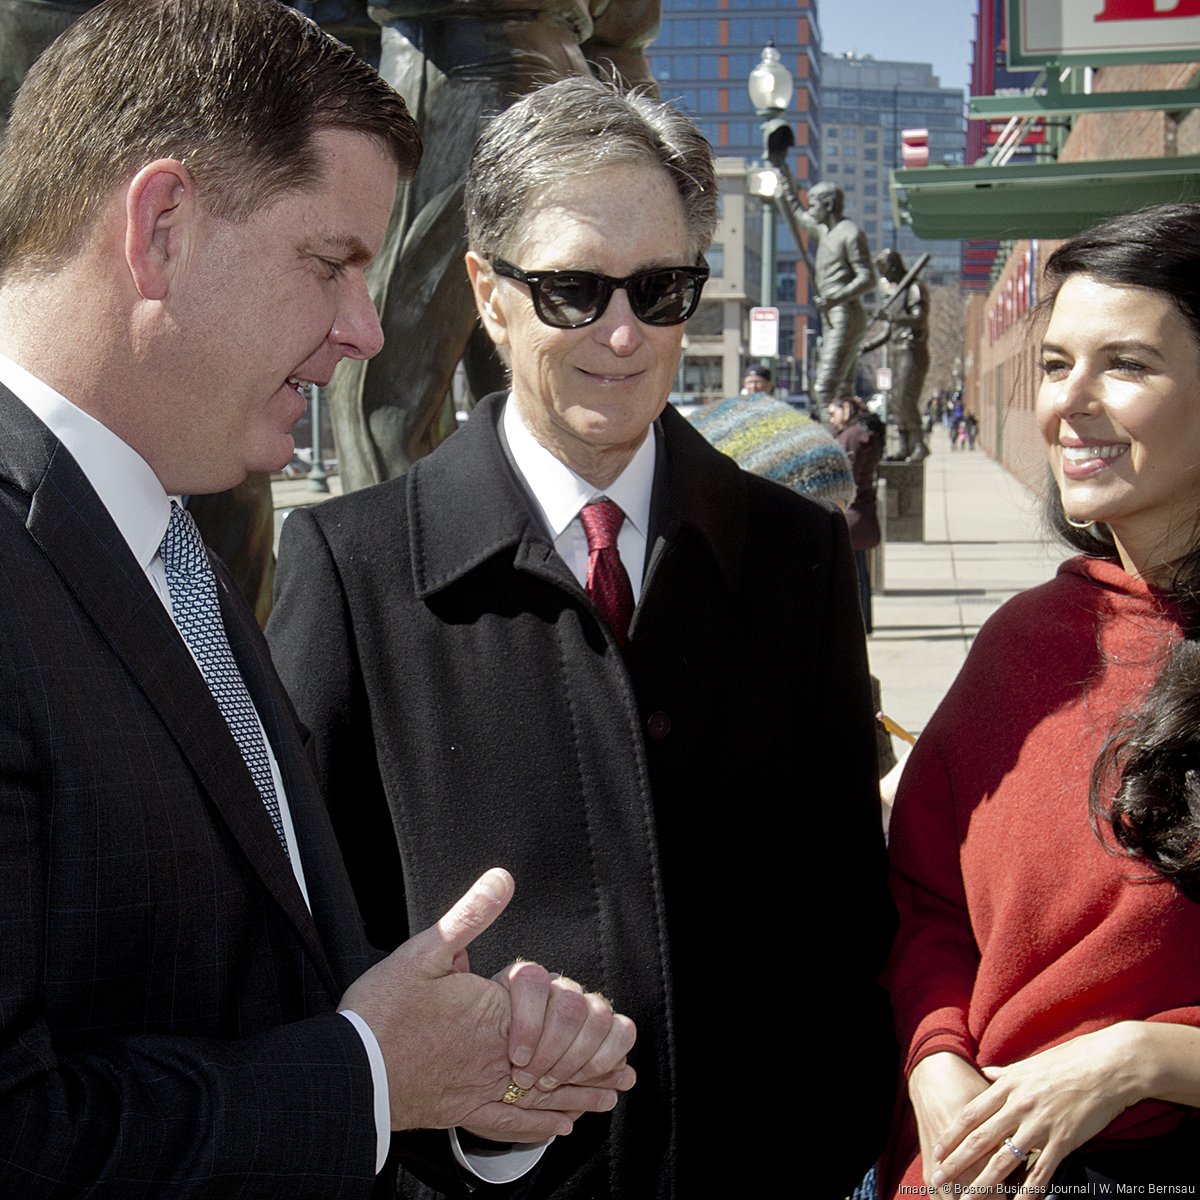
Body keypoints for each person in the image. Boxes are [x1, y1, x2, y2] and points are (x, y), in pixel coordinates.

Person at [0, 2, 635, 1194]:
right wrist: (371, 1075)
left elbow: (262, 1005)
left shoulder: (172, 542)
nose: (363, 328)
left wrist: (468, 1085)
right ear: (164, 227)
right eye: (332, 261)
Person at [269, 75, 895, 1198]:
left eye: (662, 290)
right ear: (488, 294)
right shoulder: (348, 570)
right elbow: (310, 958)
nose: (623, 332)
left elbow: (848, 906)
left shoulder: (798, 557)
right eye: (572, 290)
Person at [882, 203, 1200, 1196]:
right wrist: (936, 1058)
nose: (1071, 404)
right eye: (1057, 364)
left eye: (1129, 365)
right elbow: (925, 905)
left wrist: (1139, 1059)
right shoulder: (1024, 643)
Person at [782, 179, 874, 408]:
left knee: (824, 389)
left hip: (845, 313)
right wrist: (782, 172)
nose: (811, 211)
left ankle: (830, 440)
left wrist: (837, 297)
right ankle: (845, 440)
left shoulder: (850, 233)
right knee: (842, 390)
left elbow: (867, 277)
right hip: (831, 312)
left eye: (814, 205)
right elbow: (797, 214)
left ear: (830, 205)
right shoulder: (824, 232)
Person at [828, 394, 885, 634]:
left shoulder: (854, 437)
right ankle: (862, 622)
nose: (831, 420)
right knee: (858, 570)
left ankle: (858, 623)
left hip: (851, 512)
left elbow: (846, 476)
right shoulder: (860, 434)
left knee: (853, 572)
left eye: (833, 413)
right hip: (857, 511)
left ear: (847, 408)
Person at [872, 248, 930, 463]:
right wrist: (866, 347)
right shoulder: (896, 293)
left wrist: (892, 317)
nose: (884, 277)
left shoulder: (914, 288)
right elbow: (888, 332)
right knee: (896, 401)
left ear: (894, 267)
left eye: (885, 272)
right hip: (897, 349)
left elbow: (919, 319)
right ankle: (905, 446)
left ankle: (919, 445)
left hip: (911, 349)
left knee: (906, 398)